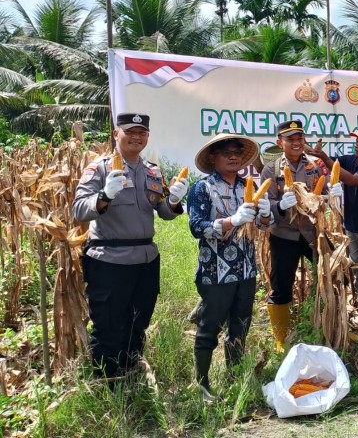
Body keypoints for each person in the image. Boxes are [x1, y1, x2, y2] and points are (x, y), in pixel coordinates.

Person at [73, 113, 188, 378]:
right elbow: (78, 210)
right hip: (110, 259)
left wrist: (174, 201)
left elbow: (164, 212)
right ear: (116, 134)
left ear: (147, 136)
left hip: (145, 260)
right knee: (109, 327)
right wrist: (104, 195)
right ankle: (109, 384)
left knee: (138, 322)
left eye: (142, 132)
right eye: (130, 131)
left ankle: (133, 373)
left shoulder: (152, 171)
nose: (136, 137)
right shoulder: (100, 168)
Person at [186, 134, 265, 403]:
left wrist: (266, 213)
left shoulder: (249, 187)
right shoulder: (202, 189)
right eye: (226, 152)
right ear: (212, 157)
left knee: (241, 326)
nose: (233, 156)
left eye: (237, 152)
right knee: (210, 327)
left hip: (246, 269)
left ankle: (234, 379)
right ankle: (202, 385)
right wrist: (231, 220)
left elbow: (263, 226)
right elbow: (197, 227)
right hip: (216, 271)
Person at [260, 120, 336, 352]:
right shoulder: (270, 169)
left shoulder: (314, 166)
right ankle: (280, 340)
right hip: (284, 235)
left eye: (299, 138)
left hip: (313, 233)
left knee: (333, 275)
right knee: (281, 286)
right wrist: (280, 205)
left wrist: (331, 194)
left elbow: (324, 193)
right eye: (290, 139)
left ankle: (329, 326)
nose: (296, 143)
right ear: (279, 142)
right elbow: (266, 203)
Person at [308, 127, 358, 310]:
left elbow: (352, 180)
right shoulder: (350, 159)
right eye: (357, 141)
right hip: (352, 226)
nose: (357, 145)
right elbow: (331, 164)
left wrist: (326, 159)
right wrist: (310, 151)